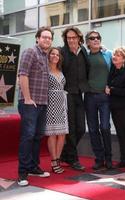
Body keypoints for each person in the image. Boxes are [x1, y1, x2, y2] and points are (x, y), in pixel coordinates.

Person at [17, 26, 54, 186]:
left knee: (38, 136)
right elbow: (22, 74)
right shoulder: (30, 52)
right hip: (29, 103)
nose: (47, 39)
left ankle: (33, 167)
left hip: (42, 103)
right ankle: (22, 173)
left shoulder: (46, 56)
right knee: (28, 136)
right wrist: (27, 98)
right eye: (44, 37)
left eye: (49, 38)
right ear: (37, 38)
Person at [60, 26, 90, 171]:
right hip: (66, 94)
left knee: (81, 128)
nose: (71, 40)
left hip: (79, 93)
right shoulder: (62, 52)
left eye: (74, 37)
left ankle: (65, 153)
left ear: (79, 38)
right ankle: (73, 159)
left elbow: (89, 67)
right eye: (69, 38)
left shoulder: (83, 50)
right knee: (71, 128)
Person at [105, 47, 125, 173]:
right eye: (114, 55)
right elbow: (109, 83)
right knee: (120, 134)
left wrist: (112, 90)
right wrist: (111, 88)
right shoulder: (113, 69)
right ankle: (123, 160)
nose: (115, 57)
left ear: (123, 59)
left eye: (118, 55)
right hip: (115, 106)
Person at [84, 30, 113, 170]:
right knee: (93, 129)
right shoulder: (85, 56)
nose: (96, 40)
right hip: (89, 97)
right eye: (92, 38)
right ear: (87, 42)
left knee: (105, 127)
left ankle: (109, 159)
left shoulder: (108, 54)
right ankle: (99, 159)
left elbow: (117, 70)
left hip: (105, 97)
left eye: (98, 37)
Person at [44, 47, 68, 174]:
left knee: (62, 133)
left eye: (57, 55)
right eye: (52, 54)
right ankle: (53, 161)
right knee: (53, 133)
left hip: (62, 104)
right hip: (51, 103)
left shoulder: (60, 70)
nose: (55, 56)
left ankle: (57, 159)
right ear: (48, 56)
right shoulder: (45, 70)